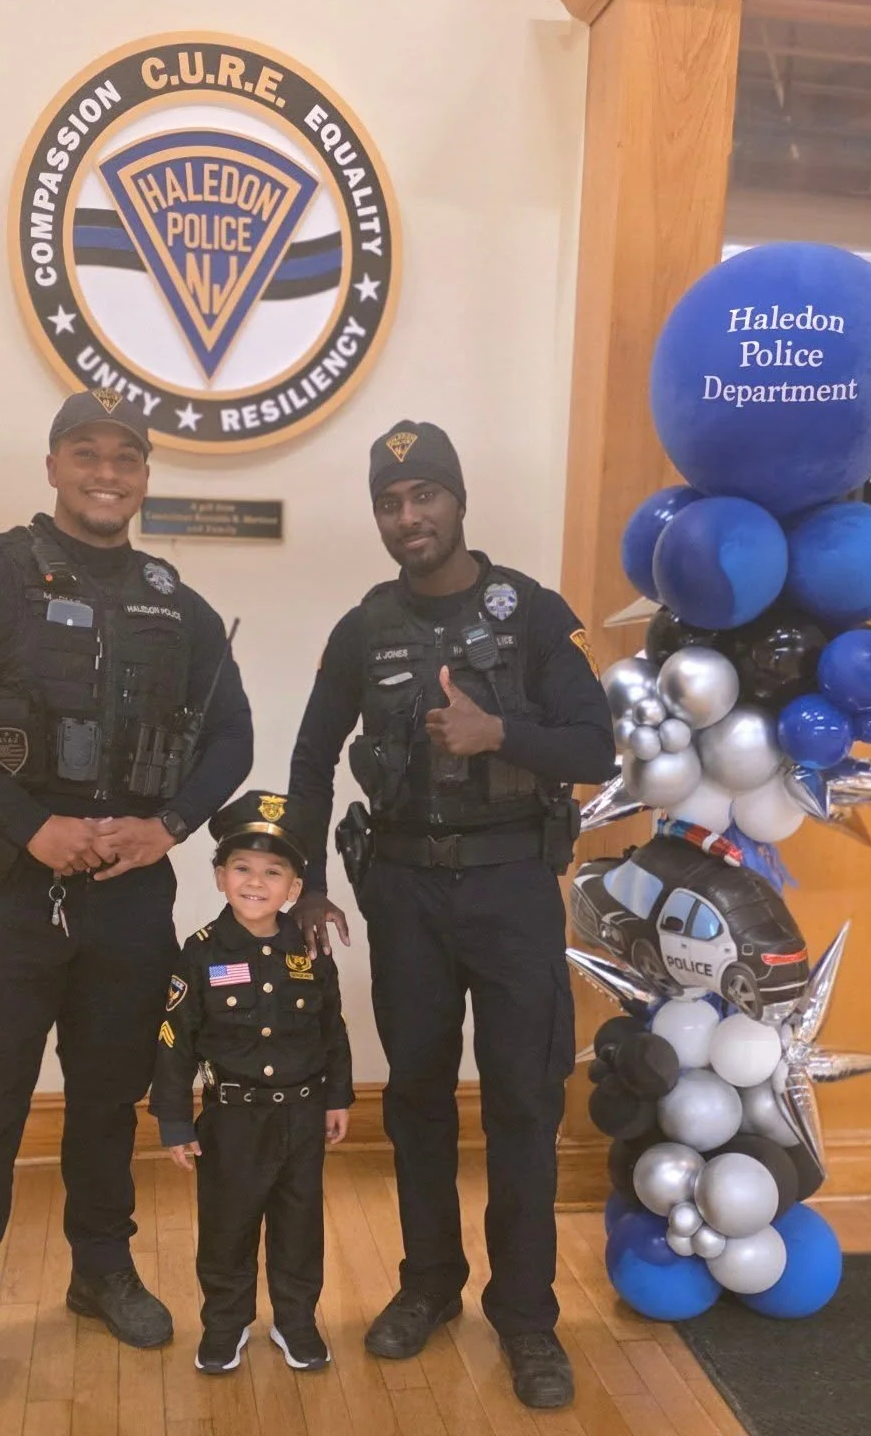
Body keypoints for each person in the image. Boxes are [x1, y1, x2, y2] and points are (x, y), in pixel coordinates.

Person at [0, 388, 253, 1410]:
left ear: (144, 476)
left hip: (127, 900)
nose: (108, 473)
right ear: (53, 464)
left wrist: (169, 823)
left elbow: (233, 735)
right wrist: (29, 825)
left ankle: (102, 1271)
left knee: (107, 1101)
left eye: (127, 458)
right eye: (87, 453)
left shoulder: (172, 600)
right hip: (6, 893)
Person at [287, 420, 616, 1410]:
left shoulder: (531, 613)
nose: (407, 516)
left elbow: (597, 746)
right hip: (405, 893)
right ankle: (429, 1284)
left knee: (523, 1102)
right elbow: (310, 758)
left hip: (513, 885)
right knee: (418, 1099)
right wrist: (308, 882)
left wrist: (498, 731)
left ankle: (526, 1316)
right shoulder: (364, 628)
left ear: (457, 502)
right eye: (390, 503)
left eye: (424, 495)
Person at [149, 790, 353, 1374]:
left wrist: (338, 1096)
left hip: (303, 1116)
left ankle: (296, 1322)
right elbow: (174, 1040)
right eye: (242, 868)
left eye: (273, 871)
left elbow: (331, 1028)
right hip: (231, 1120)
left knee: (298, 1226)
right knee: (227, 1227)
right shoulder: (200, 953)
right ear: (220, 877)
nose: (256, 882)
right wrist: (174, 1120)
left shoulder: (309, 949)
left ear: (294, 887)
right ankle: (225, 1325)